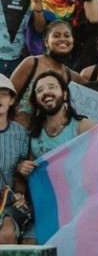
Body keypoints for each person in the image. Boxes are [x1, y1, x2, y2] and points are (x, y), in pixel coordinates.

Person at [10, 21, 85, 128]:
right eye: (56, 35)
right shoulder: (31, 63)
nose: (62, 39)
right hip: (17, 132)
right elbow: (7, 95)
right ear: (46, 42)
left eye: (67, 35)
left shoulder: (73, 77)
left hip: (45, 140)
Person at [0, 74, 31, 245]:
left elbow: (23, 173)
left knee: (6, 234)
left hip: (10, 201)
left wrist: (20, 192)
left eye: (3, 94)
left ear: (12, 100)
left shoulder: (21, 133)